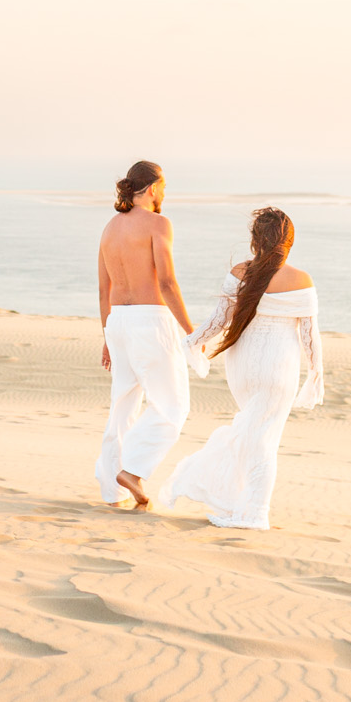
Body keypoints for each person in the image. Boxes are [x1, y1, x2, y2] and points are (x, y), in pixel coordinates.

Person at [161, 206, 323, 530]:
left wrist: (191, 342)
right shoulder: (301, 279)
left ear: (255, 240)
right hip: (278, 367)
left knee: (253, 436)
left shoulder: (240, 272)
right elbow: (309, 336)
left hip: (243, 368)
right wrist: (315, 373)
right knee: (264, 440)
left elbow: (218, 322)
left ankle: (240, 506)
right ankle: (256, 513)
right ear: (288, 242)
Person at [93, 159, 204, 510]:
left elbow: (103, 290)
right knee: (173, 405)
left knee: (123, 406)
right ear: (154, 188)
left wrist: (107, 336)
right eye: (164, 187)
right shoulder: (159, 224)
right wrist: (191, 332)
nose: (165, 194)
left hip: (118, 322)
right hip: (151, 321)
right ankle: (133, 470)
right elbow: (167, 283)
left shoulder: (109, 228)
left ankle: (112, 491)